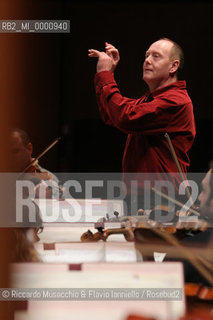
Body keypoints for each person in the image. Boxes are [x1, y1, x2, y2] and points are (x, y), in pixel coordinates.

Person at [89, 38, 196, 213]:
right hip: (145, 197)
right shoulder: (152, 100)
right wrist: (108, 74)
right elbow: (112, 115)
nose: (147, 60)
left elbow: (125, 116)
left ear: (173, 66)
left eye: (156, 56)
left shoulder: (175, 101)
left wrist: (105, 74)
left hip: (161, 199)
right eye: (146, 55)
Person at [10, 128, 60, 198]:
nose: (9, 157)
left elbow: (55, 194)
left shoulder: (46, 177)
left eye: (15, 151)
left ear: (29, 148)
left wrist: (46, 195)